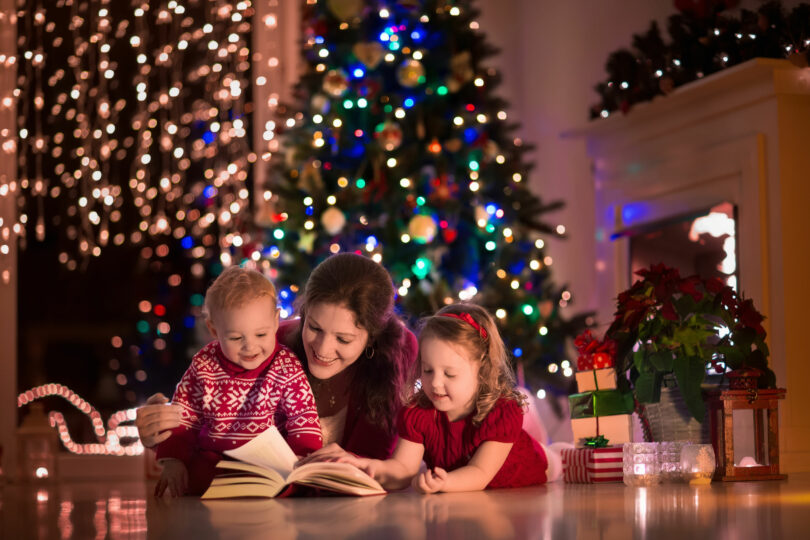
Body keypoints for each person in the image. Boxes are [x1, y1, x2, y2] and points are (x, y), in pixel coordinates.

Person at [136, 253, 418, 486]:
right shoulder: (266, 343)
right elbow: (209, 414)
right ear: (303, 314)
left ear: (372, 338)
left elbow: (382, 460)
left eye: (343, 339)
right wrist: (160, 433)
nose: (322, 348)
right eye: (314, 327)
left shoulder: (396, 352)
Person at [333, 303, 562, 493]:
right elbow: (403, 468)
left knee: (560, 461)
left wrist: (446, 482)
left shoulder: (501, 412)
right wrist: (366, 465)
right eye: (428, 370)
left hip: (537, 464)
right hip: (469, 491)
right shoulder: (419, 413)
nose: (435, 383)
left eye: (449, 373)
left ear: (481, 369)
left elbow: (480, 474)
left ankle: (564, 453)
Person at [153, 266, 322, 497]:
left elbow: (303, 418)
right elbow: (184, 416)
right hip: (215, 461)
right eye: (235, 337)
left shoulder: (286, 366)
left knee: (290, 482)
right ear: (214, 329)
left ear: (275, 321)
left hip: (267, 464)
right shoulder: (205, 365)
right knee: (196, 475)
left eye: (261, 335)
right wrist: (173, 460)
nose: (250, 346)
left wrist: (304, 459)